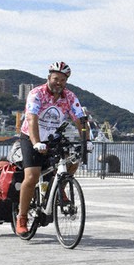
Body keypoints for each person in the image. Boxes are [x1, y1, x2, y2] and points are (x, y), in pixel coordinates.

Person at [15, 61, 88, 235]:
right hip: (31, 136)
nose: (59, 83)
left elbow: (80, 120)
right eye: (56, 79)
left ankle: (60, 186)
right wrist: (36, 142)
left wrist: (87, 141)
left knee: (74, 159)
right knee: (32, 177)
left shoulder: (69, 97)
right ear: (49, 77)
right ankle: (22, 217)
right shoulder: (36, 94)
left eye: (63, 80)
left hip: (53, 138)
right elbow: (32, 119)